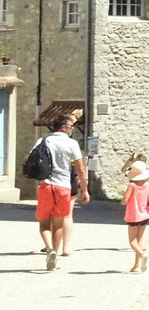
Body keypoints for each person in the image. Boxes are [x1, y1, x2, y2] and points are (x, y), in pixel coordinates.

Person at [34, 113, 89, 271]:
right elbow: (80, 169)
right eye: (71, 127)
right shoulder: (71, 143)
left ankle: (49, 248)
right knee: (58, 225)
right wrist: (84, 190)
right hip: (63, 187)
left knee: (44, 223)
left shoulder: (43, 141)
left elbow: (33, 159)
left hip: (45, 185)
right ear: (64, 127)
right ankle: (54, 256)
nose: (72, 129)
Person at [120, 160, 149, 272]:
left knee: (132, 241)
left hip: (133, 215)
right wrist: (147, 209)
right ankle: (136, 265)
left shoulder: (132, 185)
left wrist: (123, 199)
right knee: (140, 240)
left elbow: (124, 201)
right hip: (144, 215)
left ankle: (142, 254)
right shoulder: (148, 184)